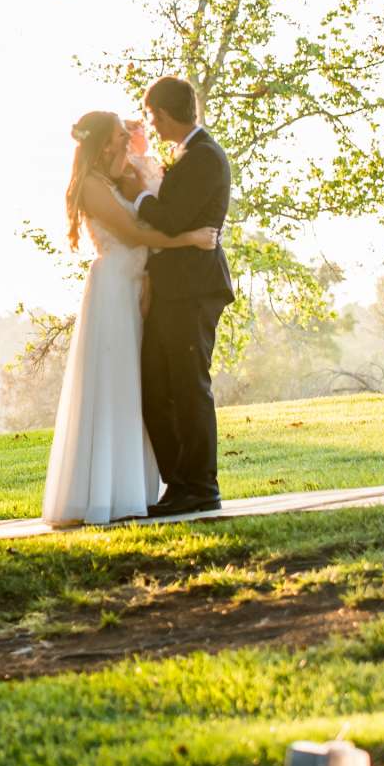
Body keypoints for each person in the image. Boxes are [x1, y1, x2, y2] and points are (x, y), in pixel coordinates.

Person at [41, 110, 221, 528]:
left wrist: (139, 157)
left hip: (137, 288)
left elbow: (154, 201)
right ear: (104, 142)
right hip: (113, 290)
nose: (129, 138)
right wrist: (189, 239)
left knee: (139, 389)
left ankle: (133, 490)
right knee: (114, 386)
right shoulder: (91, 187)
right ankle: (101, 493)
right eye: (122, 135)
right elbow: (135, 233)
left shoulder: (118, 180)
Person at [131, 75, 235, 518]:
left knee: (190, 387)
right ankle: (179, 483)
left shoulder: (205, 158)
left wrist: (136, 196)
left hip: (194, 290)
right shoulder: (186, 155)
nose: (151, 123)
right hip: (173, 290)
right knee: (157, 387)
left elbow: (171, 220)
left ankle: (201, 485)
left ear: (167, 114)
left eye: (153, 115)